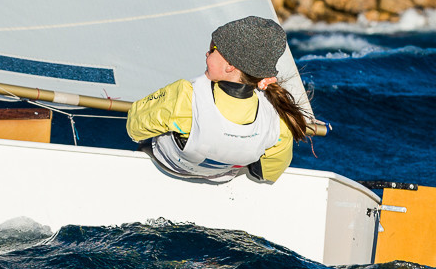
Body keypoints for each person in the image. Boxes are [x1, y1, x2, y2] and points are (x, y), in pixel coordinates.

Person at [126, 16, 314, 183]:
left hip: (168, 166)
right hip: (220, 178)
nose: (207, 54)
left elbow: (134, 127)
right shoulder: (277, 119)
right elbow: (268, 173)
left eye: (212, 49)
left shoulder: (186, 95)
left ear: (231, 65)